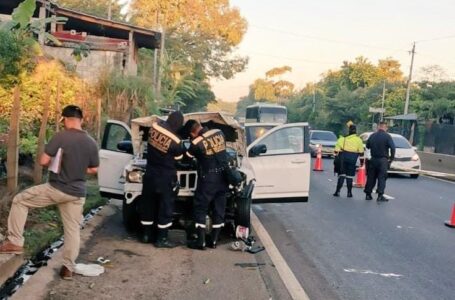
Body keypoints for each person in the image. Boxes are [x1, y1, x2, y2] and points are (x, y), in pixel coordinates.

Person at [0, 105, 99, 280]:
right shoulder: (91, 142)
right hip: (77, 194)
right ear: (81, 120)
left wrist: (57, 160)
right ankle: (68, 268)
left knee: (20, 200)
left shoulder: (61, 136)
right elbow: (93, 169)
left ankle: (15, 242)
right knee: (72, 230)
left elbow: (43, 160)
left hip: (56, 188)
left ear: (65, 120)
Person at [140, 111, 185, 248]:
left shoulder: (154, 128)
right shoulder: (176, 141)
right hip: (165, 176)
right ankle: (162, 239)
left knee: (148, 204)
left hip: (150, 174)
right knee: (165, 207)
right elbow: (179, 159)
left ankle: (146, 235)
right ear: (178, 124)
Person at [185, 120, 229, 250]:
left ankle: (201, 241)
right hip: (223, 177)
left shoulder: (196, 143)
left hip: (208, 179)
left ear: (193, 132)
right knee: (219, 208)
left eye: (191, 135)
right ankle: (214, 241)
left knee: (200, 207)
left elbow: (186, 159)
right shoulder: (219, 132)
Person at [364, 122, 396, 202]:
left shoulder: (372, 136)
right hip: (383, 160)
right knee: (382, 177)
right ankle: (380, 195)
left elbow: (367, 146)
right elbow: (393, 148)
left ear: (378, 127)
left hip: (373, 159)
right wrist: (391, 159)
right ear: (386, 128)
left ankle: (368, 194)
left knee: (371, 177)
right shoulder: (387, 136)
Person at [333, 124, 364, 197]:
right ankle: (349, 193)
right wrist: (362, 163)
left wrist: (336, 159)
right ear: (356, 131)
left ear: (348, 130)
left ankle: (337, 192)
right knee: (349, 176)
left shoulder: (342, 139)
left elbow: (335, 151)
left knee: (342, 175)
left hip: (343, 159)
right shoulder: (358, 140)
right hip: (352, 159)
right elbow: (361, 153)